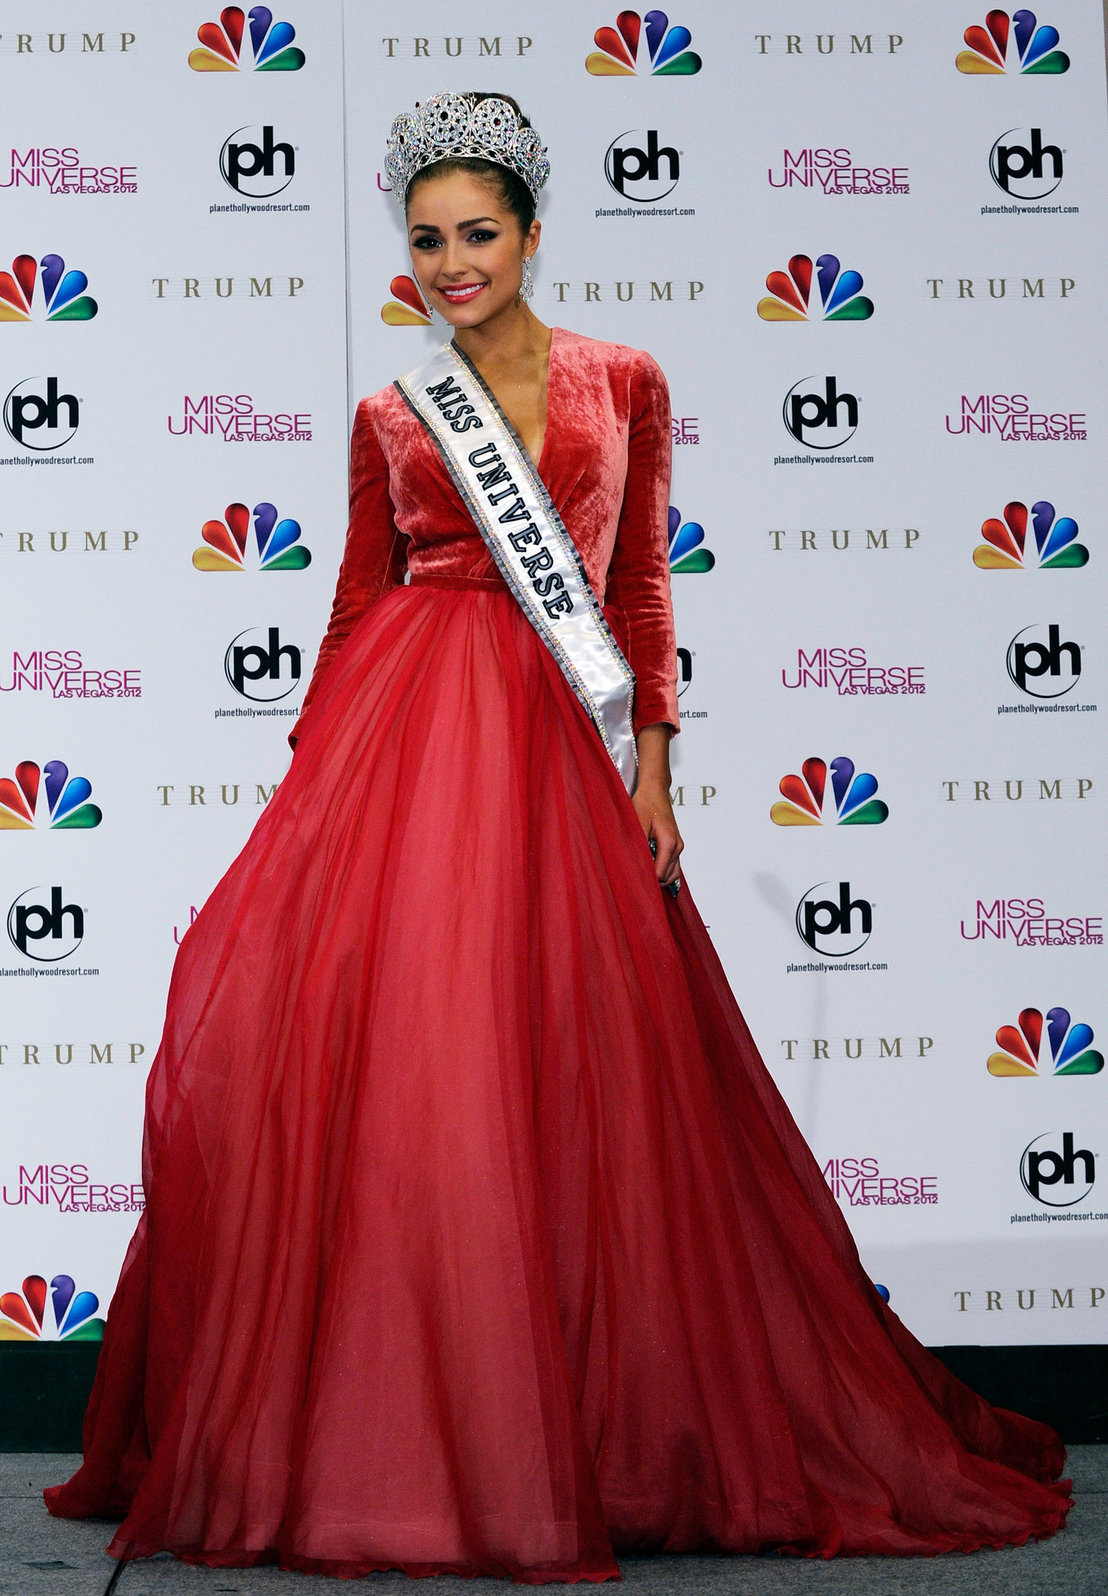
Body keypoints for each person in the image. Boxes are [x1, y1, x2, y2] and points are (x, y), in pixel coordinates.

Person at [46, 92, 1070, 1583]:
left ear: (530, 231)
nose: (451, 263)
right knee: (422, 1079)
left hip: (559, 748)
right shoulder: (394, 413)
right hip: (405, 741)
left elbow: (642, 584)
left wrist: (658, 772)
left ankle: (588, 1431)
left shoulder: (624, 378)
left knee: (584, 1080)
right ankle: (408, 1436)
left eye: (476, 234)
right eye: (425, 243)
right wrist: (313, 778)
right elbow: (351, 600)